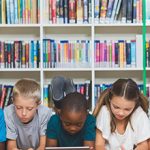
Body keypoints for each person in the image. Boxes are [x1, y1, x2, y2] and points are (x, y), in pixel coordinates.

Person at [93, 78, 150, 150]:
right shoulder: (105, 112)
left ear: (135, 105)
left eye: (127, 109)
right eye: (116, 107)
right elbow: (99, 145)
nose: (121, 113)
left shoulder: (139, 114)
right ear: (110, 99)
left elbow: (144, 146)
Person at [4, 78, 52, 150]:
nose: (23, 113)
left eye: (29, 109)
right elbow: (11, 147)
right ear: (13, 102)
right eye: (19, 107)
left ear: (38, 105)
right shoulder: (9, 113)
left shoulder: (45, 113)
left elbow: (43, 146)